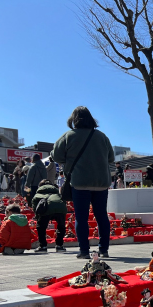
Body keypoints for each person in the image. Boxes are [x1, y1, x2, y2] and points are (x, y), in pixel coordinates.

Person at [51, 106, 115, 259]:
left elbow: (56, 155)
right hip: (101, 182)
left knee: (81, 217)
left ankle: (84, 251)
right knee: (101, 216)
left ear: (73, 119)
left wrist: (69, 160)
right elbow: (111, 158)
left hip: (79, 182)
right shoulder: (102, 136)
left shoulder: (69, 136)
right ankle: (103, 249)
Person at [32, 179, 67, 253]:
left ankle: (43, 246)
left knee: (41, 227)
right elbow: (63, 201)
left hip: (46, 209)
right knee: (61, 227)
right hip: (60, 208)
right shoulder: (57, 193)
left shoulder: (38, 194)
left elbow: (36, 208)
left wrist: (38, 218)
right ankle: (59, 246)